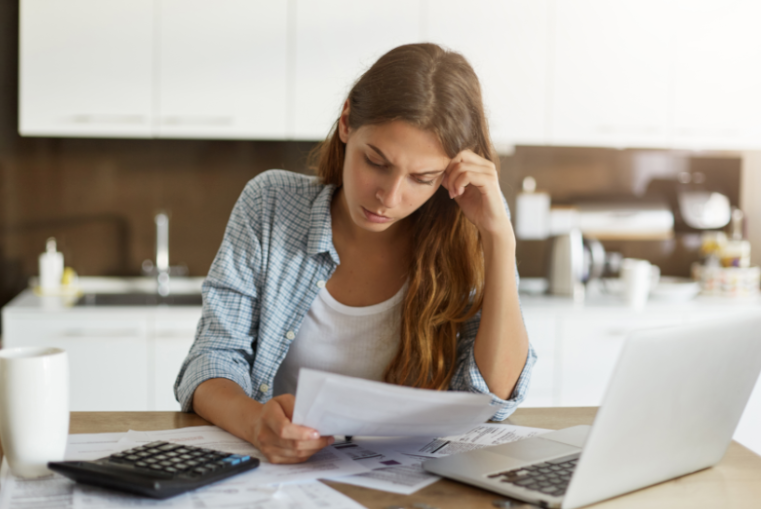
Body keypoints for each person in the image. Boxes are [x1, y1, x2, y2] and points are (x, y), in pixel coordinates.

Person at [174, 43, 536, 465]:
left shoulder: (471, 229)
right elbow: (212, 359)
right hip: (284, 478)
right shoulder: (270, 204)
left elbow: (496, 396)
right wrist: (257, 423)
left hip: (410, 483)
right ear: (347, 122)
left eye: (422, 178)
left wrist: (499, 237)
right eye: (376, 162)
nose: (389, 196)